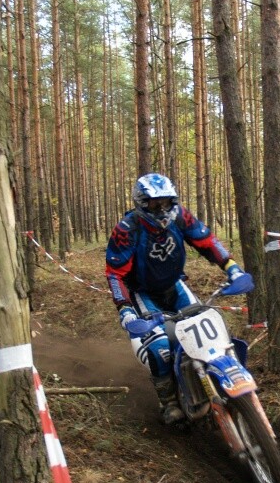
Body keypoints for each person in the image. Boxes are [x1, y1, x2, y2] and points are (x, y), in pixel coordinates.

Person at [105, 173, 247, 424]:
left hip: (175, 285)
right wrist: (125, 309)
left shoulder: (180, 216)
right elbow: (115, 273)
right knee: (160, 347)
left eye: (166, 202)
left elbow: (207, 241)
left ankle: (221, 376)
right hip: (143, 292)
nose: (162, 209)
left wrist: (231, 267)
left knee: (210, 326)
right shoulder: (128, 228)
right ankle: (169, 401)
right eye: (155, 204)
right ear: (142, 203)